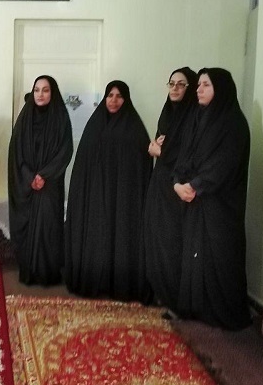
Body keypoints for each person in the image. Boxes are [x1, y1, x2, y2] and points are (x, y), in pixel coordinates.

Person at [173, 68, 251, 330]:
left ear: (221, 88)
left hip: (220, 207)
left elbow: (224, 165)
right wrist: (177, 183)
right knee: (195, 255)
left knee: (219, 256)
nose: (199, 89)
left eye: (205, 84)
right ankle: (196, 309)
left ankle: (222, 314)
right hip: (195, 200)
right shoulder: (198, 118)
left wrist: (195, 186)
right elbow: (184, 156)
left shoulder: (234, 123)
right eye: (199, 84)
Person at [64, 80, 152, 301]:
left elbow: (141, 167)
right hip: (95, 195)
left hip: (123, 198)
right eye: (110, 95)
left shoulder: (135, 130)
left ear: (126, 99)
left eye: (119, 96)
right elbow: (82, 165)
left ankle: (119, 283)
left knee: (120, 234)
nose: (113, 100)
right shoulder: (94, 126)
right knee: (97, 233)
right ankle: (94, 279)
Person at [8, 75, 73, 286]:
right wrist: (30, 177)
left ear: (53, 93)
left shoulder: (61, 118)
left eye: (45, 90)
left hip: (50, 185)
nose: (40, 94)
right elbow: (16, 153)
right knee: (27, 229)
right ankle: (29, 272)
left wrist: (44, 175)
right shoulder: (25, 119)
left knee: (48, 229)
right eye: (37, 90)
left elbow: (65, 151)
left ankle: (47, 274)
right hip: (27, 185)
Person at [143, 67, 198, 311]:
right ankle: (160, 292)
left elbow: (188, 155)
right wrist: (156, 148)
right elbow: (161, 144)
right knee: (155, 235)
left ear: (189, 88)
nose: (175, 88)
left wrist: (161, 151)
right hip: (160, 183)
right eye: (171, 83)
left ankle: (174, 297)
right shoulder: (167, 113)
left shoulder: (193, 117)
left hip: (178, 188)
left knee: (172, 239)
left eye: (181, 84)